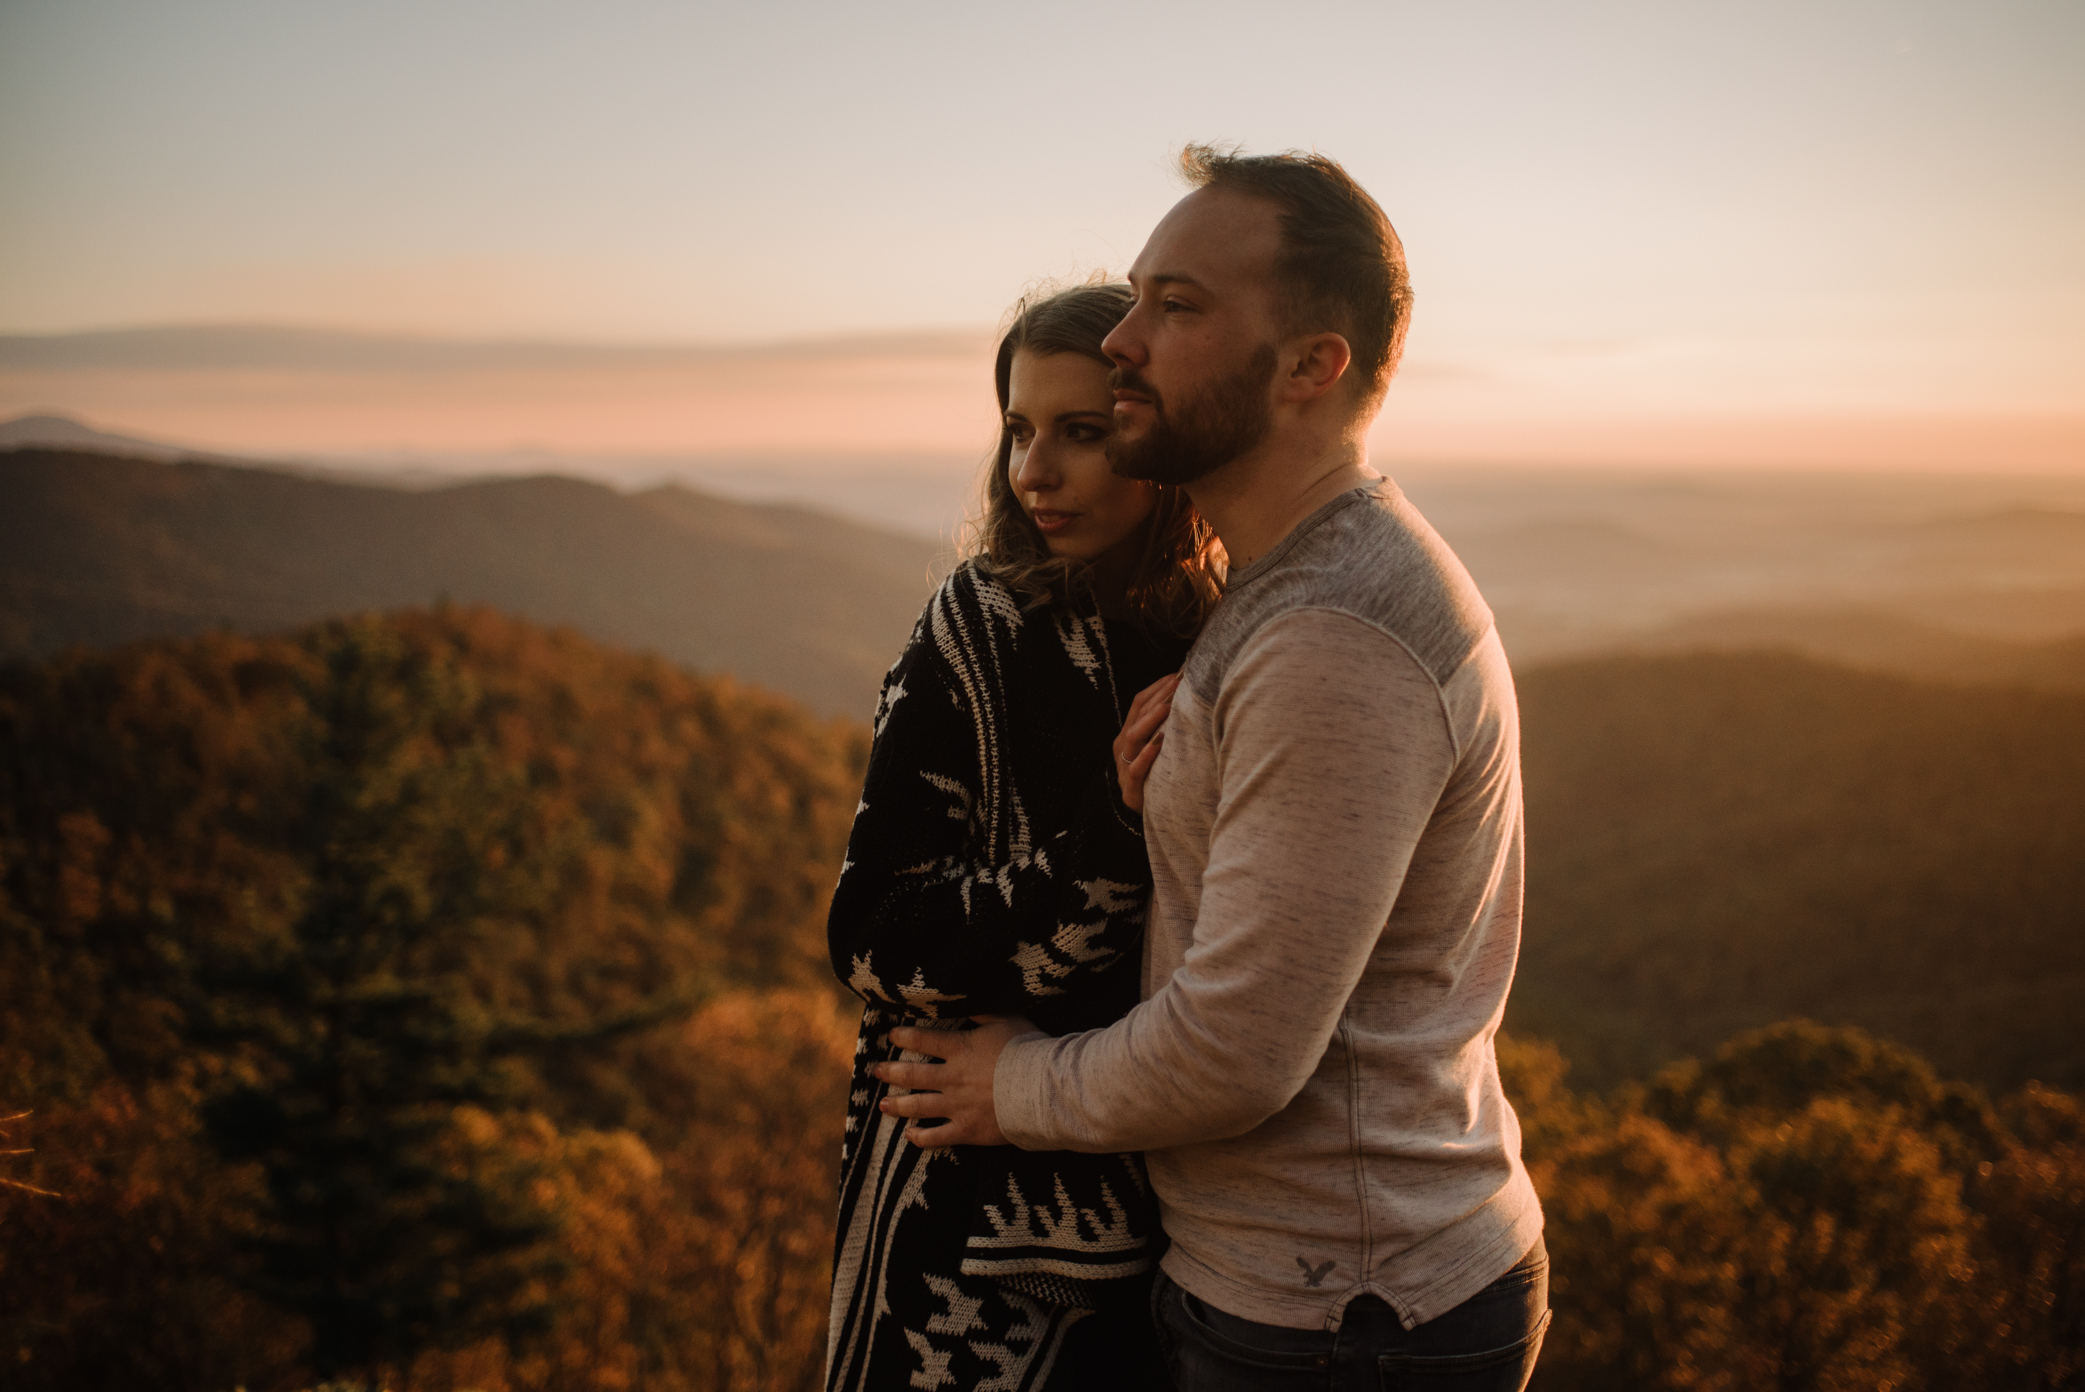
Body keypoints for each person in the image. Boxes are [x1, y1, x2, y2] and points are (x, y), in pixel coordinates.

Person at [871, 147, 1551, 1391]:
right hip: (1310, 1284)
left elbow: (1232, 1054)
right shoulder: (1277, 590)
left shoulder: (1329, 633)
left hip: (1340, 1308)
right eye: (1135, 298)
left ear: (1311, 367)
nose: (1125, 339)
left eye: (1176, 307)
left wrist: (1008, 1087)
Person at [824, 280, 1225, 1391]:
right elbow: (869, 937)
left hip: (1178, 1226)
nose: (1033, 472)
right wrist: (1102, 837)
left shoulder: (1227, 628)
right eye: (1017, 431)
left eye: (1081, 434)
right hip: (963, 1236)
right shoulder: (974, 633)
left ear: (1160, 433)